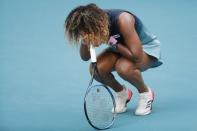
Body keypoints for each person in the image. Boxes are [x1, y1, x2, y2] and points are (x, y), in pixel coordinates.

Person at [65, 3, 162, 115]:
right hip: (119, 48)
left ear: (98, 25)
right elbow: (85, 57)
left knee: (123, 67)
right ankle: (122, 93)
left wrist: (110, 41)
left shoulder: (123, 19)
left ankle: (146, 93)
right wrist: (85, 41)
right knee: (95, 69)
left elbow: (137, 58)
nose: (86, 34)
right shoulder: (88, 26)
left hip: (144, 49)